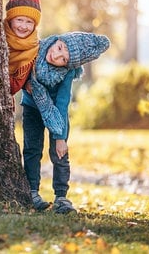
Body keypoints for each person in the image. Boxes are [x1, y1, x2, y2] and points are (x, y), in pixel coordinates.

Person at [23, 31, 110, 213]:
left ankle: (61, 197)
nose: (56, 56)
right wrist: (25, 85)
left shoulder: (67, 73)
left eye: (63, 59)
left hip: (57, 115)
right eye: (60, 48)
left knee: (60, 154)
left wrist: (60, 136)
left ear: (68, 65)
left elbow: (62, 103)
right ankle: (33, 192)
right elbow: (19, 71)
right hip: (32, 108)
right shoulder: (36, 49)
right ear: (58, 40)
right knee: (32, 149)